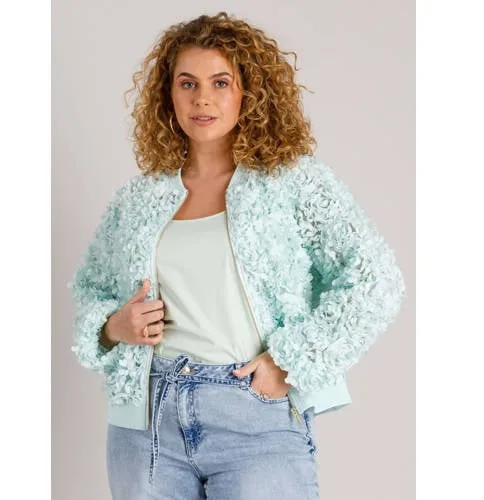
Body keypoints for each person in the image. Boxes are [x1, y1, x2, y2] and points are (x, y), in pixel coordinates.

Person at [68, 11, 407, 500]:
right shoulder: (139, 199)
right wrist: (110, 326)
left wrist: (290, 360)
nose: (202, 98)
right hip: (147, 425)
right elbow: (91, 289)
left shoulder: (293, 182)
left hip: (254, 416)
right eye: (187, 83)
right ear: (169, 95)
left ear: (250, 93)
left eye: (220, 82)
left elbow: (376, 279)